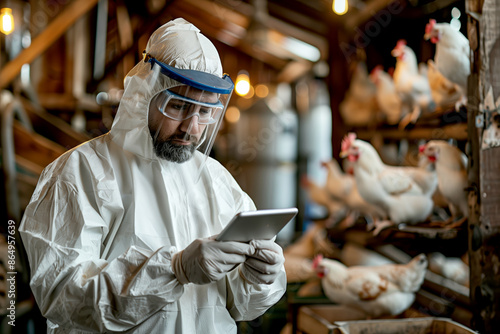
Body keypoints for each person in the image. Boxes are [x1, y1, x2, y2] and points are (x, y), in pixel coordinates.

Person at [19, 18, 286, 333]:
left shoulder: (217, 181)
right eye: (178, 106)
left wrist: (256, 278)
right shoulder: (79, 172)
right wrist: (173, 270)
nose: (192, 127)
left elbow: (240, 306)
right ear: (144, 95)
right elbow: (62, 297)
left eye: (205, 112)